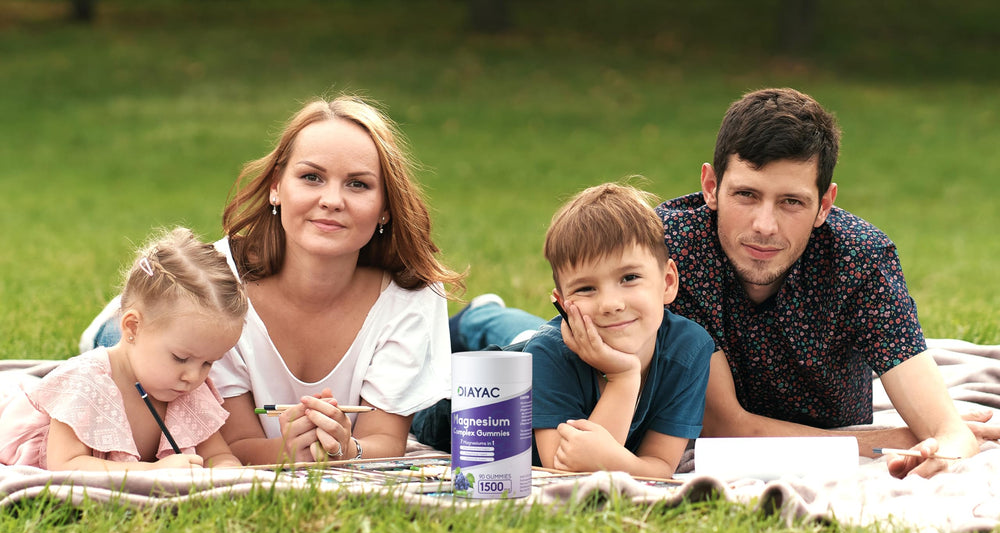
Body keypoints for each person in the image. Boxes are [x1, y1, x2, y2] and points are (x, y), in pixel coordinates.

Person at [452, 88, 993, 478]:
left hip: (793, 423)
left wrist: (938, 440)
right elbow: (727, 427)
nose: (764, 225)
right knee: (524, 343)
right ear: (710, 185)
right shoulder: (670, 244)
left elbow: (947, 432)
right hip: (704, 415)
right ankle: (481, 315)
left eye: (792, 202)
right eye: (746, 195)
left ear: (825, 204)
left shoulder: (862, 260)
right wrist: (887, 440)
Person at [82, 96, 465, 466]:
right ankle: (107, 323)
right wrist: (285, 451)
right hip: (153, 330)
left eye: (358, 184)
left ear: (385, 207)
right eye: (311, 177)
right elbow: (228, 446)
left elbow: (384, 442)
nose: (332, 200)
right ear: (276, 187)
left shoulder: (413, 292)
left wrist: (347, 451)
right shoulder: (216, 292)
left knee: (479, 350)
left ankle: (476, 319)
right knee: (135, 366)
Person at [1, 228, 245, 470]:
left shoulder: (189, 392)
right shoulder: (87, 382)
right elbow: (66, 465)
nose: (194, 376)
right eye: (180, 358)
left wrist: (226, 470)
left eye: (208, 363)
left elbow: (218, 454)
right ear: (132, 327)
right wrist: (153, 471)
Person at [527, 183, 713, 478]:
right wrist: (623, 376)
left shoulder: (688, 349)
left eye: (629, 277)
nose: (610, 304)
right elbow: (566, 472)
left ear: (667, 282)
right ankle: (480, 317)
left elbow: (661, 466)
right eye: (586, 288)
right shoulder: (546, 356)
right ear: (562, 303)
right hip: (458, 404)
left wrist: (612, 461)